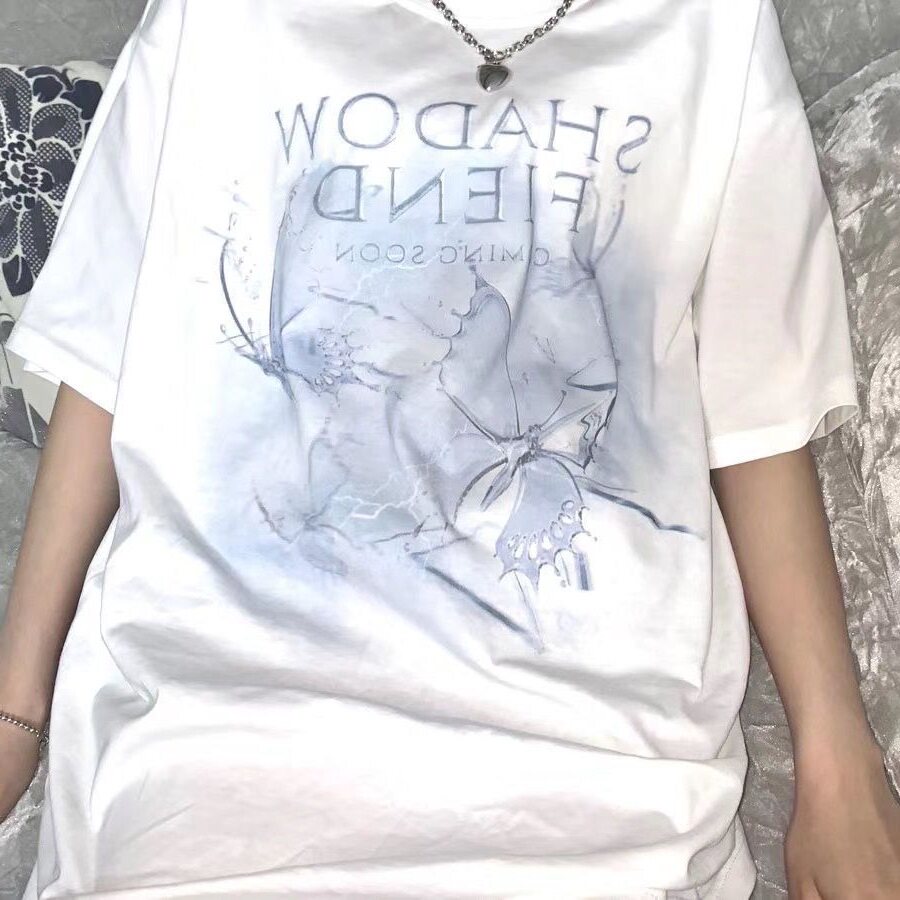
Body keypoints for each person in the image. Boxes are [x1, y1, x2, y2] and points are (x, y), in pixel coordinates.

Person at [1, 0, 898, 895]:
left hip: (602, 778)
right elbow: (108, 364)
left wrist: (838, 758)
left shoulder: (712, 26)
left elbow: (756, 418)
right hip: (208, 749)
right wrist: (15, 706)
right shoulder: (219, 18)